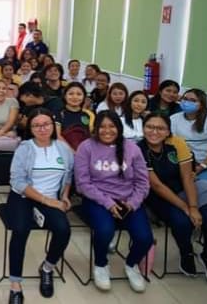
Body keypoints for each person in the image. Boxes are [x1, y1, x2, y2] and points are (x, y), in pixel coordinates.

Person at [138, 113, 207, 286]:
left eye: (160, 128)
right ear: (143, 128)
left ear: (168, 131)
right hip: (160, 195)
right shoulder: (139, 149)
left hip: (187, 188)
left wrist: (193, 205)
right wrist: (187, 208)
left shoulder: (177, 143)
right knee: (182, 222)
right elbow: (157, 186)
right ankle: (187, 253)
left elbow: (187, 177)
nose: (154, 131)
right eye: (149, 127)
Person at [74, 111, 153, 293]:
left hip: (128, 201)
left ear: (119, 128)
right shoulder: (86, 147)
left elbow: (143, 182)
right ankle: (101, 264)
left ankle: (131, 265)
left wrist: (132, 203)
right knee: (105, 230)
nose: (107, 130)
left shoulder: (132, 148)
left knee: (144, 238)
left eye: (112, 126)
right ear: (96, 129)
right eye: (102, 126)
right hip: (97, 199)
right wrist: (108, 203)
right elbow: (82, 184)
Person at [6, 108, 74, 304]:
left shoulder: (63, 149)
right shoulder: (25, 148)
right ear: (30, 128)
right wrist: (47, 201)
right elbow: (18, 182)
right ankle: (15, 285)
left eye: (46, 124)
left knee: (63, 230)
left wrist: (65, 195)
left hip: (51, 198)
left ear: (53, 126)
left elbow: (68, 175)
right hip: (24, 196)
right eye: (36, 125)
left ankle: (47, 268)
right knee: (20, 229)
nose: (42, 129)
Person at [170, 89, 207, 183]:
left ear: (201, 105)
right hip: (181, 163)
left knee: (202, 186)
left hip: (205, 164)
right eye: (185, 99)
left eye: (193, 100)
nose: (187, 102)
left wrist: (201, 167)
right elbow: (170, 145)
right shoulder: (173, 119)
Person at [55, 82, 94, 151]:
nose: (75, 97)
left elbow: (88, 135)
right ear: (65, 96)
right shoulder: (59, 113)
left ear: (84, 97)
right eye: (71, 94)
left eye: (79, 94)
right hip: (64, 152)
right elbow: (58, 136)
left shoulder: (87, 115)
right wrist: (72, 152)